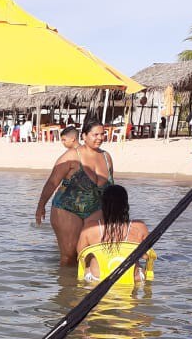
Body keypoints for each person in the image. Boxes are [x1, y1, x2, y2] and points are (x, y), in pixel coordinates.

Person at [36, 121, 114, 265]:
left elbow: (110, 189)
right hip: (67, 208)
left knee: (93, 254)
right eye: (95, 134)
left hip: (95, 208)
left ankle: (87, 285)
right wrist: (41, 206)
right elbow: (52, 182)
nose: (100, 137)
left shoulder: (106, 157)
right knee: (69, 255)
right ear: (84, 136)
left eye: (102, 134)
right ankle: (67, 285)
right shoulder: (71, 156)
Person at [76, 184, 152, 286]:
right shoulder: (139, 227)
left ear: (103, 205)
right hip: (133, 278)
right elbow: (147, 256)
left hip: (97, 278)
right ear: (126, 205)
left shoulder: (90, 228)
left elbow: (81, 255)